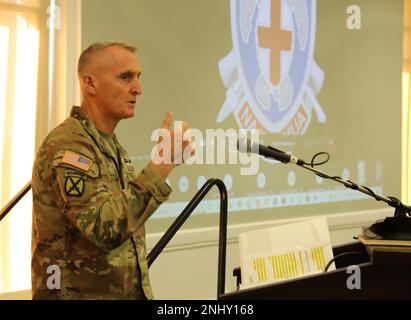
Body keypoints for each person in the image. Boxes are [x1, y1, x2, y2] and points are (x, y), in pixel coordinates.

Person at [31, 42, 191, 299]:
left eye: (138, 77)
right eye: (125, 77)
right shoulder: (68, 145)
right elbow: (103, 228)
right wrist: (158, 169)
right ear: (90, 84)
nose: (138, 88)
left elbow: (126, 226)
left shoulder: (109, 145)